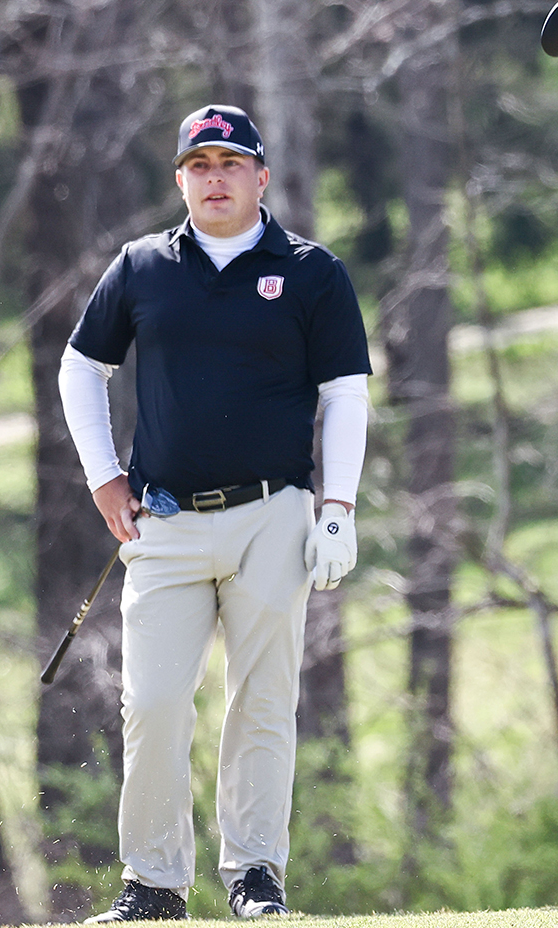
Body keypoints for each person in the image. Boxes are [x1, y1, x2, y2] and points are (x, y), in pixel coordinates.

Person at [59, 104, 372, 921]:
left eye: (230, 163)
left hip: (274, 512)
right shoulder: (141, 267)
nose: (215, 178)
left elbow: (346, 395)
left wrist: (337, 507)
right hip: (162, 520)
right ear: (180, 180)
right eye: (199, 166)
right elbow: (78, 369)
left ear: (261, 176)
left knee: (263, 697)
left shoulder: (309, 271)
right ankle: (155, 886)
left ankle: (254, 875)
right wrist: (103, 479)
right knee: (155, 702)